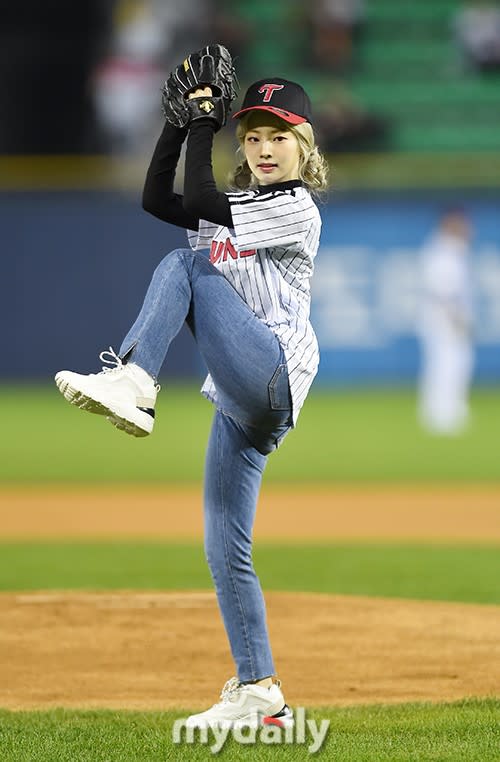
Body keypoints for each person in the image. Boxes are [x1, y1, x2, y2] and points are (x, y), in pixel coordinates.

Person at [54, 46, 328, 729]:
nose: (265, 149)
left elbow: (202, 201)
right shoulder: (234, 205)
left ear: (304, 147)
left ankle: (135, 379)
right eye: (254, 136)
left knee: (187, 264)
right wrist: (179, 124)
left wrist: (202, 123)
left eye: (280, 137)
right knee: (224, 547)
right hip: (243, 401)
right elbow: (158, 198)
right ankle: (261, 693)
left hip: (272, 373)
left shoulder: (295, 207)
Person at [417, 209, 475, 435]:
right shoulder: (442, 250)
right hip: (444, 319)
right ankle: (440, 415)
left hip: (448, 318)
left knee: (455, 365)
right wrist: (457, 318)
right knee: (444, 366)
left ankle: (451, 411)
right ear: (450, 223)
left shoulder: (454, 249)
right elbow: (443, 292)